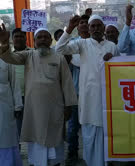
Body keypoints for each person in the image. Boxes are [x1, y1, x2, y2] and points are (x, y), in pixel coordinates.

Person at [0, 26, 77, 166]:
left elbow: (67, 83)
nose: (42, 40)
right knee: (36, 142)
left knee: (55, 145)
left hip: (55, 109)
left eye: (45, 37)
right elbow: (9, 57)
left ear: (50, 40)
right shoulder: (28, 55)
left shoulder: (59, 58)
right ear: (34, 41)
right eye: (39, 37)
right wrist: (5, 43)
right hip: (34, 110)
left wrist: (69, 106)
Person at [55, 14, 120, 166]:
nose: (96, 29)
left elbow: (120, 71)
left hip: (108, 99)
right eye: (93, 26)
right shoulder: (82, 44)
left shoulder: (112, 47)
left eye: (99, 26)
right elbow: (59, 49)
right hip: (89, 99)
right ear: (88, 29)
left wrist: (114, 59)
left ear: (104, 28)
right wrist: (69, 28)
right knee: (90, 135)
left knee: (107, 134)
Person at [65, 14, 90, 165]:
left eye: (87, 23)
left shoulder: (97, 43)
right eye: (81, 23)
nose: (84, 25)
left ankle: (92, 152)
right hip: (76, 93)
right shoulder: (72, 44)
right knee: (73, 126)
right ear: (77, 26)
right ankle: (72, 153)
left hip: (94, 93)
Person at [0, 58, 23, 166]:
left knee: (6, 139)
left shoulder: (5, 59)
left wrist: (18, 105)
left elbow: (14, 82)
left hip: (5, 106)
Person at [12, 28, 31, 141]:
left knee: (34, 126)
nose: (18, 38)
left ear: (25, 39)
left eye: (21, 36)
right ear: (12, 39)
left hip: (32, 96)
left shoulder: (33, 53)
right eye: (16, 36)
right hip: (15, 98)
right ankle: (17, 155)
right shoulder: (7, 56)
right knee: (16, 130)